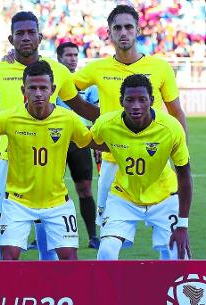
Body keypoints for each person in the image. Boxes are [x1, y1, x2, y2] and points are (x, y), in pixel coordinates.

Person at [0, 11, 98, 261]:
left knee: (48, 237)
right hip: (9, 160)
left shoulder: (57, 71)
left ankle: (49, 292)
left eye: (31, 32)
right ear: (11, 39)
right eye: (20, 33)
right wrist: (2, 123)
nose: (26, 38)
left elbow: (78, 106)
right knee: (3, 238)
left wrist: (117, 121)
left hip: (46, 157)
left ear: (40, 36)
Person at [73, 5, 187, 260]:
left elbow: (177, 112)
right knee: (110, 242)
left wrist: (180, 150)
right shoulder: (97, 68)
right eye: (117, 28)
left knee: (171, 248)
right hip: (113, 164)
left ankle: (169, 293)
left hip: (153, 159)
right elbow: (63, 89)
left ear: (137, 31)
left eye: (128, 27)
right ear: (109, 33)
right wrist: (96, 117)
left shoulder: (160, 67)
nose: (123, 32)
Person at [91, 74, 191, 260]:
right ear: (121, 101)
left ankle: (164, 289)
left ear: (152, 101)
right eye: (130, 100)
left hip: (164, 197)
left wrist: (183, 224)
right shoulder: (106, 124)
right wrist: (106, 146)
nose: (136, 106)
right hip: (123, 197)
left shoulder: (171, 128)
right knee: (106, 252)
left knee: (177, 255)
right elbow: (88, 139)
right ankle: (110, 290)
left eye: (142, 100)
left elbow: (185, 175)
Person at [55, 41, 100, 249]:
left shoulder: (88, 84)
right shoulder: (51, 80)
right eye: (68, 55)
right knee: (46, 189)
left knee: (84, 189)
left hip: (80, 141)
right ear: (59, 58)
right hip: (55, 141)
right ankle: (43, 237)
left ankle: (92, 235)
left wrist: (98, 143)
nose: (73, 58)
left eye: (75, 55)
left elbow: (96, 115)